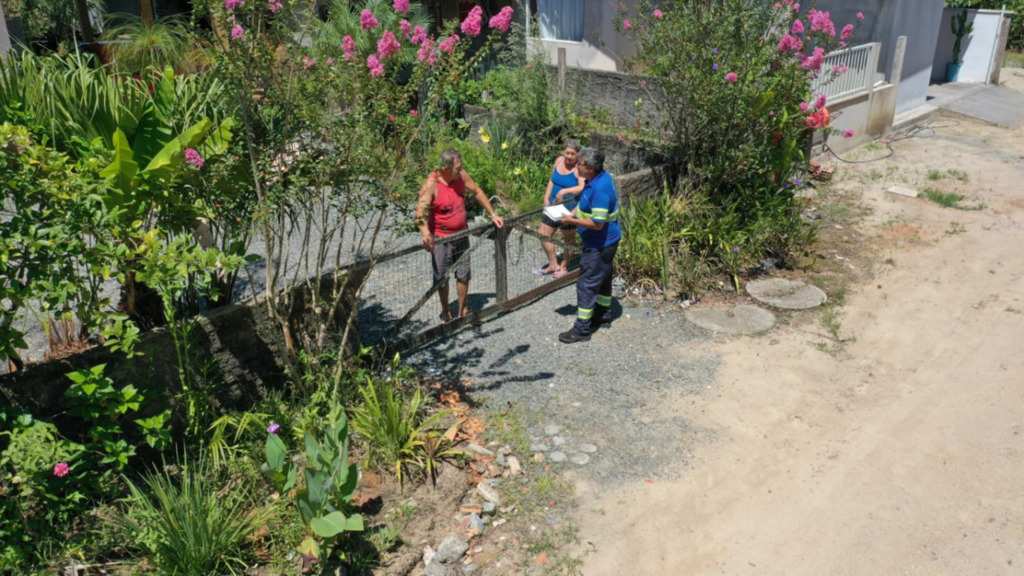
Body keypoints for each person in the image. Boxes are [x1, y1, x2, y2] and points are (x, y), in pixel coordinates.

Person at [416, 148, 505, 323]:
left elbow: (477, 192)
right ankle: (446, 311)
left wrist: (493, 214)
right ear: (447, 168)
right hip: (442, 238)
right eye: (458, 167)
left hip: (462, 234)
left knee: (464, 274)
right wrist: (426, 234)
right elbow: (420, 213)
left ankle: (463, 308)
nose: (461, 169)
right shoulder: (432, 184)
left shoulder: (460, 176)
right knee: (441, 277)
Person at [557, 147, 620, 344]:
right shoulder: (596, 180)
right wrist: (574, 214)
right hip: (606, 241)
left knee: (586, 283)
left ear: (591, 168)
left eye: (580, 165)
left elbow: (597, 223)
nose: (577, 167)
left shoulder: (600, 189)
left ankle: (582, 329)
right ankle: (602, 315)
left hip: (599, 244)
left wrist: (572, 222)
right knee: (602, 278)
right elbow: (584, 202)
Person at [533, 140, 585, 278]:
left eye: (572, 154)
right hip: (553, 206)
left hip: (568, 210)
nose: (568, 156)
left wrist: (564, 191)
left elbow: (582, 187)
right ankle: (553, 264)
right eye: (567, 152)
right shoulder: (559, 161)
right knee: (543, 233)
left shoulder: (579, 169)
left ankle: (564, 266)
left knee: (568, 239)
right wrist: (546, 197)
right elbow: (552, 179)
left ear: (577, 155)